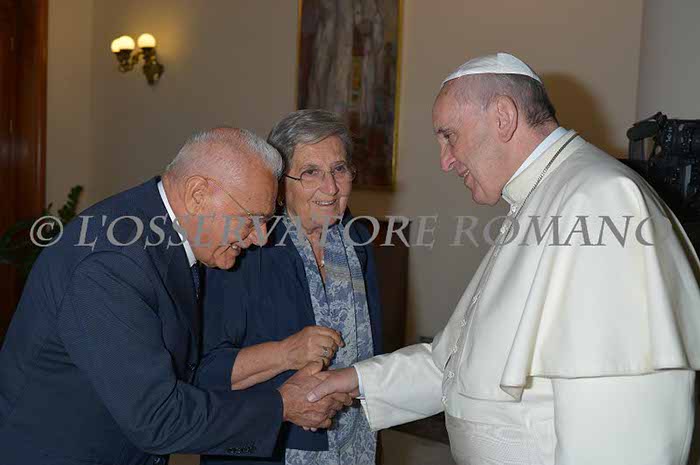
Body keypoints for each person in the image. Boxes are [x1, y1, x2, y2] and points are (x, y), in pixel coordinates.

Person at [307, 53, 700, 465]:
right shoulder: (539, 198)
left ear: (503, 117)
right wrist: (352, 381)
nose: (445, 161)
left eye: (449, 136)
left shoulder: (601, 200)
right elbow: (451, 366)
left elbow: (621, 436)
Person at [0, 128, 351, 465]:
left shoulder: (169, 236)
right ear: (198, 195)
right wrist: (281, 405)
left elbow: (187, 372)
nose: (260, 238)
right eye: (252, 220)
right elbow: (156, 418)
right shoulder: (110, 263)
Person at [197, 110, 383, 465]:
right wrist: (285, 352)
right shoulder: (245, 248)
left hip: (356, 443)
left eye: (339, 169)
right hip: (265, 448)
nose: (331, 188)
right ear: (280, 184)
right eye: (311, 172)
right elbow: (204, 372)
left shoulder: (358, 241)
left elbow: (374, 352)